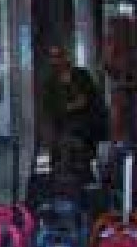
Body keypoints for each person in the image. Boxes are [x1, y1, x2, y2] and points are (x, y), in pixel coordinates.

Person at [40, 45, 106, 182]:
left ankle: (84, 178)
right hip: (64, 127)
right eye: (53, 57)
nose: (56, 61)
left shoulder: (81, 75)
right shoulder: (50, 83)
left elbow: (92, 99)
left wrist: (80, 104)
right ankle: (65, 180)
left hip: (86, 126)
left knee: (79, 149)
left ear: (65, 57)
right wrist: (70, 106)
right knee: (65, 146)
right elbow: (51, 108)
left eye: (59, 56)